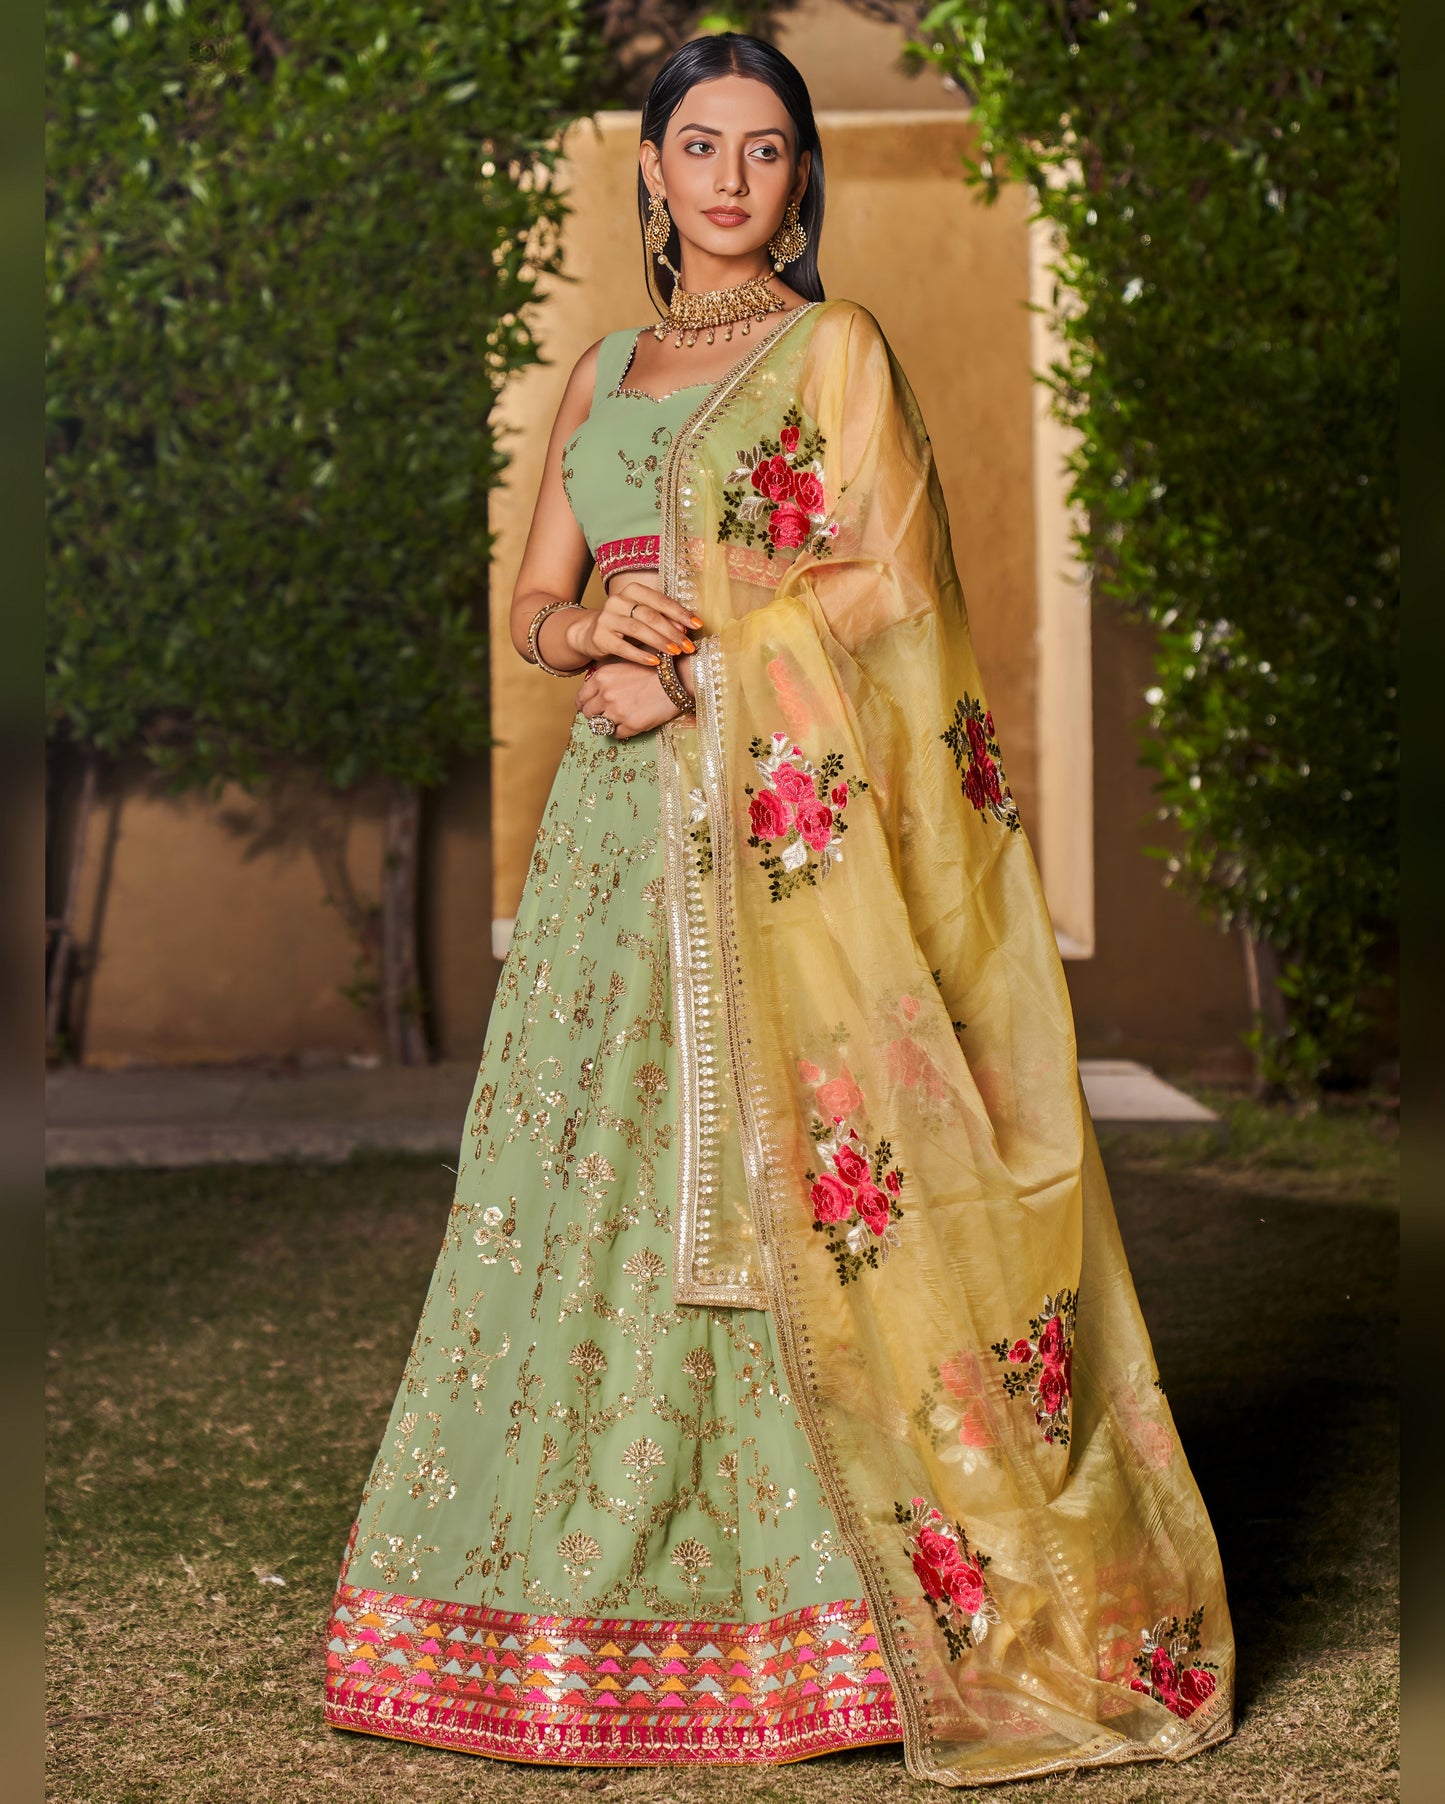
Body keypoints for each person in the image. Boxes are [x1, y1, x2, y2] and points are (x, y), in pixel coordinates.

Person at [323, 32, 1235, 1787]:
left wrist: (715, 663)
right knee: (587, 1182)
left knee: (789, 1174)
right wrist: (595, 640)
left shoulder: (835, 351)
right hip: (612, 844)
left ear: (799, 179)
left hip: (774, 834)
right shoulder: (599, 372)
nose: (730, 177)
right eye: (697, 146)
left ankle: (832, 1618)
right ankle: (573, 1619)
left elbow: (897, 586)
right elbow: (536, 593)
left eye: (764, 149)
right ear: (650, 173)